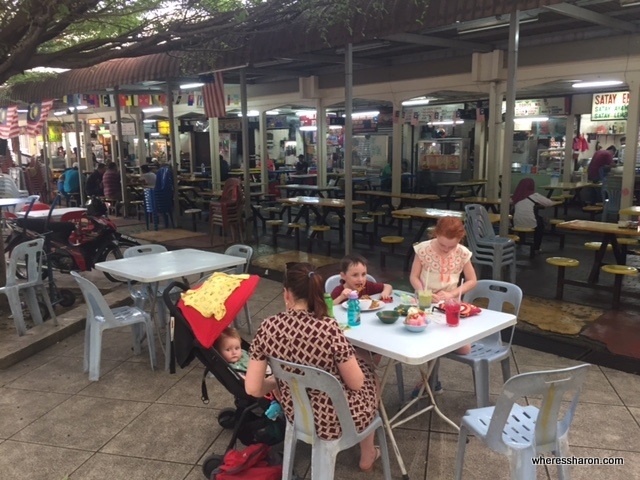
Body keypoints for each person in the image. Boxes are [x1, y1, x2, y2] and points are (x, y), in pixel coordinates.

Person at [245, 263, 382, 473]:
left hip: (297, 414)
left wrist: (279, 381)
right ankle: (367, 453)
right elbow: (356, 384)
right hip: (336, 419)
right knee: (371, 378)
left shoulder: (268, 327)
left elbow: (253, 389)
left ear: (287, 295)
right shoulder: (328, 328)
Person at [410, 216, 477, 308]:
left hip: (450, 303)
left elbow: (472, 280)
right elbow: (414, 276)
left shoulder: (462, 253)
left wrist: (452, 294)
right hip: (424, 301)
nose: (446, 249)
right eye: (442, 244)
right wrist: (422, 292)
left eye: (452, 246)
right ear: (436, 234)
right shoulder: (423, 249)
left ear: (460, 239)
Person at [512, 178, 555, 253]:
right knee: (540, 225)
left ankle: (520, 241)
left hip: (516, 222)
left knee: (525, 218)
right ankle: (536, 247)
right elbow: (549, 203)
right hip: (531, 222)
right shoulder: (535, 196)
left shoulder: (516, 196)